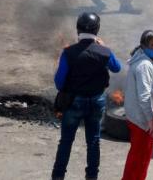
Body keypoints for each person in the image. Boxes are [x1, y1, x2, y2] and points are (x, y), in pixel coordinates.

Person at [51, 12, 121, 180]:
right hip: (97, 101)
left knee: (66, 142)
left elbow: (59, 83)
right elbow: (116, 67)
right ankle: (92, 176)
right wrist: (105, 47)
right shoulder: (104, 52)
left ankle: (58, 176)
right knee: (94, 141)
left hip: (74, 102)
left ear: (78, 29)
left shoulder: (69, 53)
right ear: (97, 29)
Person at [122, 30, 153, 180]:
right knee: (141, 159)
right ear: (144, 46)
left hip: (139, 117)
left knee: (137, 157)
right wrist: (151, 120)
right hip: (142, 120)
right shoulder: (144, 66)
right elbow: (144, 96)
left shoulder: (146, 61)